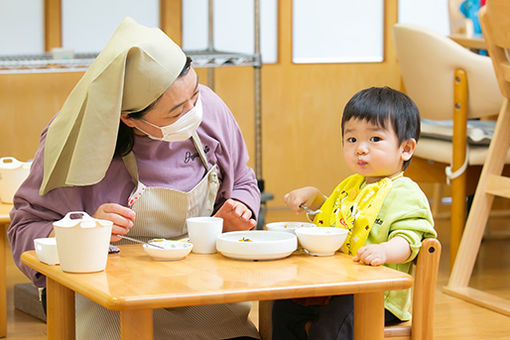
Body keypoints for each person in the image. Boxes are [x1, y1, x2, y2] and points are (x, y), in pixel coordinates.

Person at [8, 17, 260, 340]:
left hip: (198, 291)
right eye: (176, 112)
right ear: (127, 117)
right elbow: (24, 232)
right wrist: (87, 232)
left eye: (195, 95)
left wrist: (241, 207)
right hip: (107, 301)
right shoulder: (74, 140)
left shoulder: (210, 111)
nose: (194, 113)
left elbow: (243, 181)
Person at [272, 86, 437, 340]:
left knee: (332, 324)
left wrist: (385, 250)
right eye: (352, 139)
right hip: (339, 285)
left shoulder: (406, 193)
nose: (360, 148)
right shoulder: (351, 185)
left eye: (375, 139)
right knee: (285, 306)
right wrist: (313, 196)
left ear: (405, 148)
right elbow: (332, 220)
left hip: (378, 296)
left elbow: (411, 239)